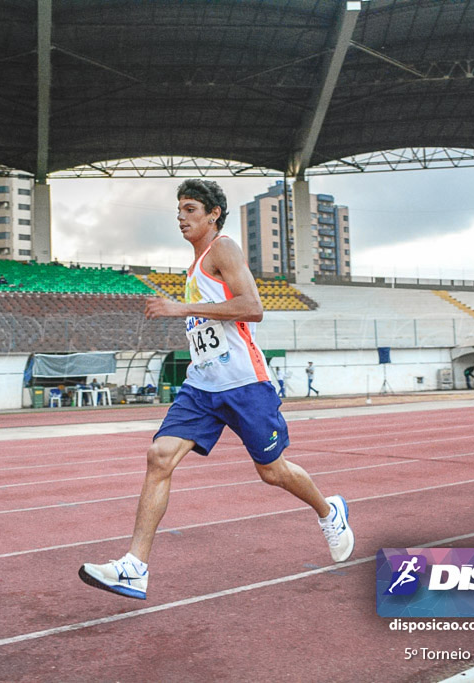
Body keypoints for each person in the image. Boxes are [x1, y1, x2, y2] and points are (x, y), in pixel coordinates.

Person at [79, 179, 354, 601]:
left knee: (272, 472)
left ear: (213, 215)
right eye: (179, 210)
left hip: (245, 383)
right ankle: (134, 567)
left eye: (190, 209)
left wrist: (181, 308)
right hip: (202, 385)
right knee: (159, 457)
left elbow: (253, 307)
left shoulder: (223, 248)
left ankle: (328, 510)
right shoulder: (193, 268)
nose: (181, 217)